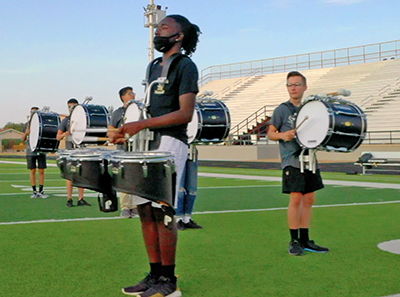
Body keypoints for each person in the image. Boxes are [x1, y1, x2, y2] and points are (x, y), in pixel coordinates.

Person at [110, 14, 201, 297]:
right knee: (144, 211)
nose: (158, 32)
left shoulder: (185, 66)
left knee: (163, 213)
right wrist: (128, 129)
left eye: (164, 27)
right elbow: (147, 111)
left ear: (179, 35)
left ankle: (169, 281)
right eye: (158, 27)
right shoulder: (152, 66)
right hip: (145, 144)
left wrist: (141, 124)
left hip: (170, 143)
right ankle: (154, 274)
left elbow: (185, 113)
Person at [267, 71, 329, 256]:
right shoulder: (282, 109)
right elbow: (271, 133)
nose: (293, 87)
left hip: (310, 159)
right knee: (296, 198)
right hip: (292, 160)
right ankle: (293, 240)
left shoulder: (311, 108)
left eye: (297, 84)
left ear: (304, 87)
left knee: (309, 199)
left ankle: (305, 239)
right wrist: (282, 135)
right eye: (289, 84)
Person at [108, 86, 139, 218]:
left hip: (138, 149)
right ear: (123, 97)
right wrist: (120, 137)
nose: (133, 95)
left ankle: (136, 206)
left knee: (137, 178)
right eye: (130, 93)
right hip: (123, 150)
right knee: (125, 179)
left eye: (133, 93)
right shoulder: (118, 113)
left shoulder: (140, 111)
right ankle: (125, 207)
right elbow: (110, 132)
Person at [56, 98, 90, 207]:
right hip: (70, 152)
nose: (71, 109)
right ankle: (69, 199)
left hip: (81, 151)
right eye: (69, 107)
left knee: (81, 176)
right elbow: (58, 137)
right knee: (70, 176)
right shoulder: (66, 121)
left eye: (73, 106)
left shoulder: (83, 120)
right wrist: (66, 133)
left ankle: (81, 199)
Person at [21, 107, 49, 198]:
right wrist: (26, 133)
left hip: (40, 150)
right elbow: (23, 138)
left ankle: (41, 190)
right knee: (32, 170)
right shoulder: (27, 124)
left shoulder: (42, 124)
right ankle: (34, 191)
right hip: (30, 151)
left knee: (41, 171)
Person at [176, 144, 203, 230]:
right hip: (178, 150)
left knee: (192, 189)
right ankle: (178, 219)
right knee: (180, 189)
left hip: (191, 150)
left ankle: (187, 219)